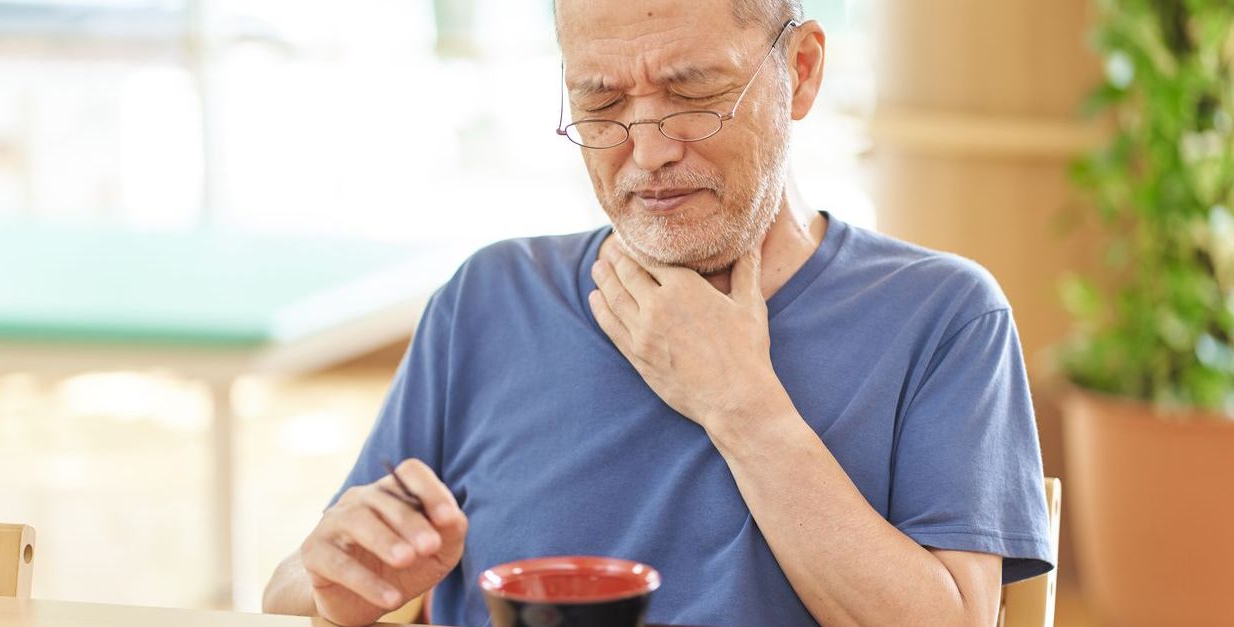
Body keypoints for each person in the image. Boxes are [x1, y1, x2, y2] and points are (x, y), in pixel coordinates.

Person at [262, 0, 1054, 625]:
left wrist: (741, 404)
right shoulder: (489, 297)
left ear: (802, 71)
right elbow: (301, 578)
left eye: (694, 93)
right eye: (600, 104)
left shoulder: (941, 316)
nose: (647, 151)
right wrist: (341, 584)